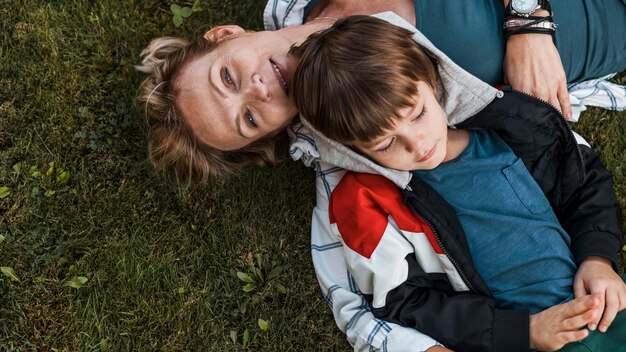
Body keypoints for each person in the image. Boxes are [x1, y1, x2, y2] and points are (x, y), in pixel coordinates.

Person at [135, 2, 626, 350]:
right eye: (248, 119)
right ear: (274, 135)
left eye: (227, 77)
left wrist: (528, 19)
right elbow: (373, 306)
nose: (258, 91)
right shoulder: (356, 153)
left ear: (224, 35)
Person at [290, 15, 626, 352]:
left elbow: (585, 182)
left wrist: (597, 258)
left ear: (431, 78)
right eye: (386, 144)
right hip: (528, 337)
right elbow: (409, 302)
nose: (418, 144)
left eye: (418, 114)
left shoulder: (511, 126)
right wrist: (522, 332)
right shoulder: (368, 203)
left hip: (602, 303)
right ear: (352, 150)